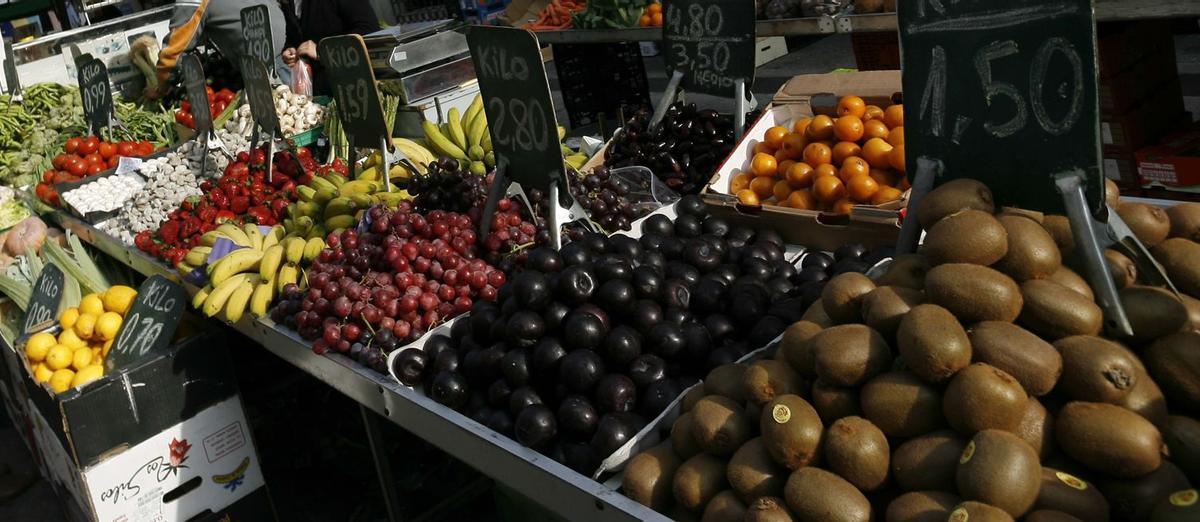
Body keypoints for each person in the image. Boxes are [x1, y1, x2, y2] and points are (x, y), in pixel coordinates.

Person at [146, 0, 290, 98]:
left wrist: (162, 88)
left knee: (282, 131)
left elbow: (173, 53)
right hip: (290, 54)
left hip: (265, 70)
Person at [280, 0, 379, 96]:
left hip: (352, 90)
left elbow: (369, 30)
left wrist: (323, 51)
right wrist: (290, 48)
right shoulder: (289, 2)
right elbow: (294, 33)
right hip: (319, 92)